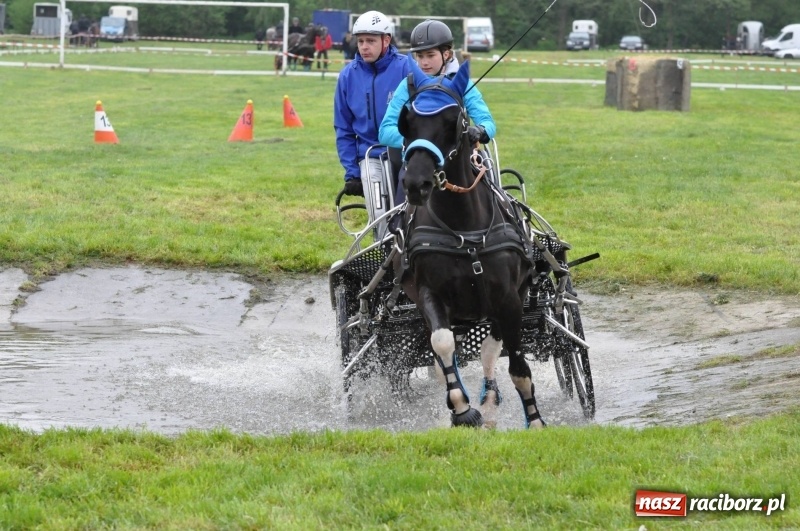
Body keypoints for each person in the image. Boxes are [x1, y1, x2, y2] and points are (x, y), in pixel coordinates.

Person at [378, 19, 496, 202]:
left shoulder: (461, 84)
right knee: (401, 212)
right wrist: (419, 141)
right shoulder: (408, 85)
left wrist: (479, 131)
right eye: (419, 56)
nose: (424, 62)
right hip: (418, 165)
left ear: (446, 54)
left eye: (430, 55)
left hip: (458, 164)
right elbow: (385, 130)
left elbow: (488, 123)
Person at [333, 10, 412, 199]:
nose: (364, 47)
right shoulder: (347, 76)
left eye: (371, 41)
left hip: (406, 153)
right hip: (369, 158)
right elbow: (343, 128)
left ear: (386, 40)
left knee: (410, 211)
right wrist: (352, 173)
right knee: (381, 215)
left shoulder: (407, 68)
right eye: (360, 41)